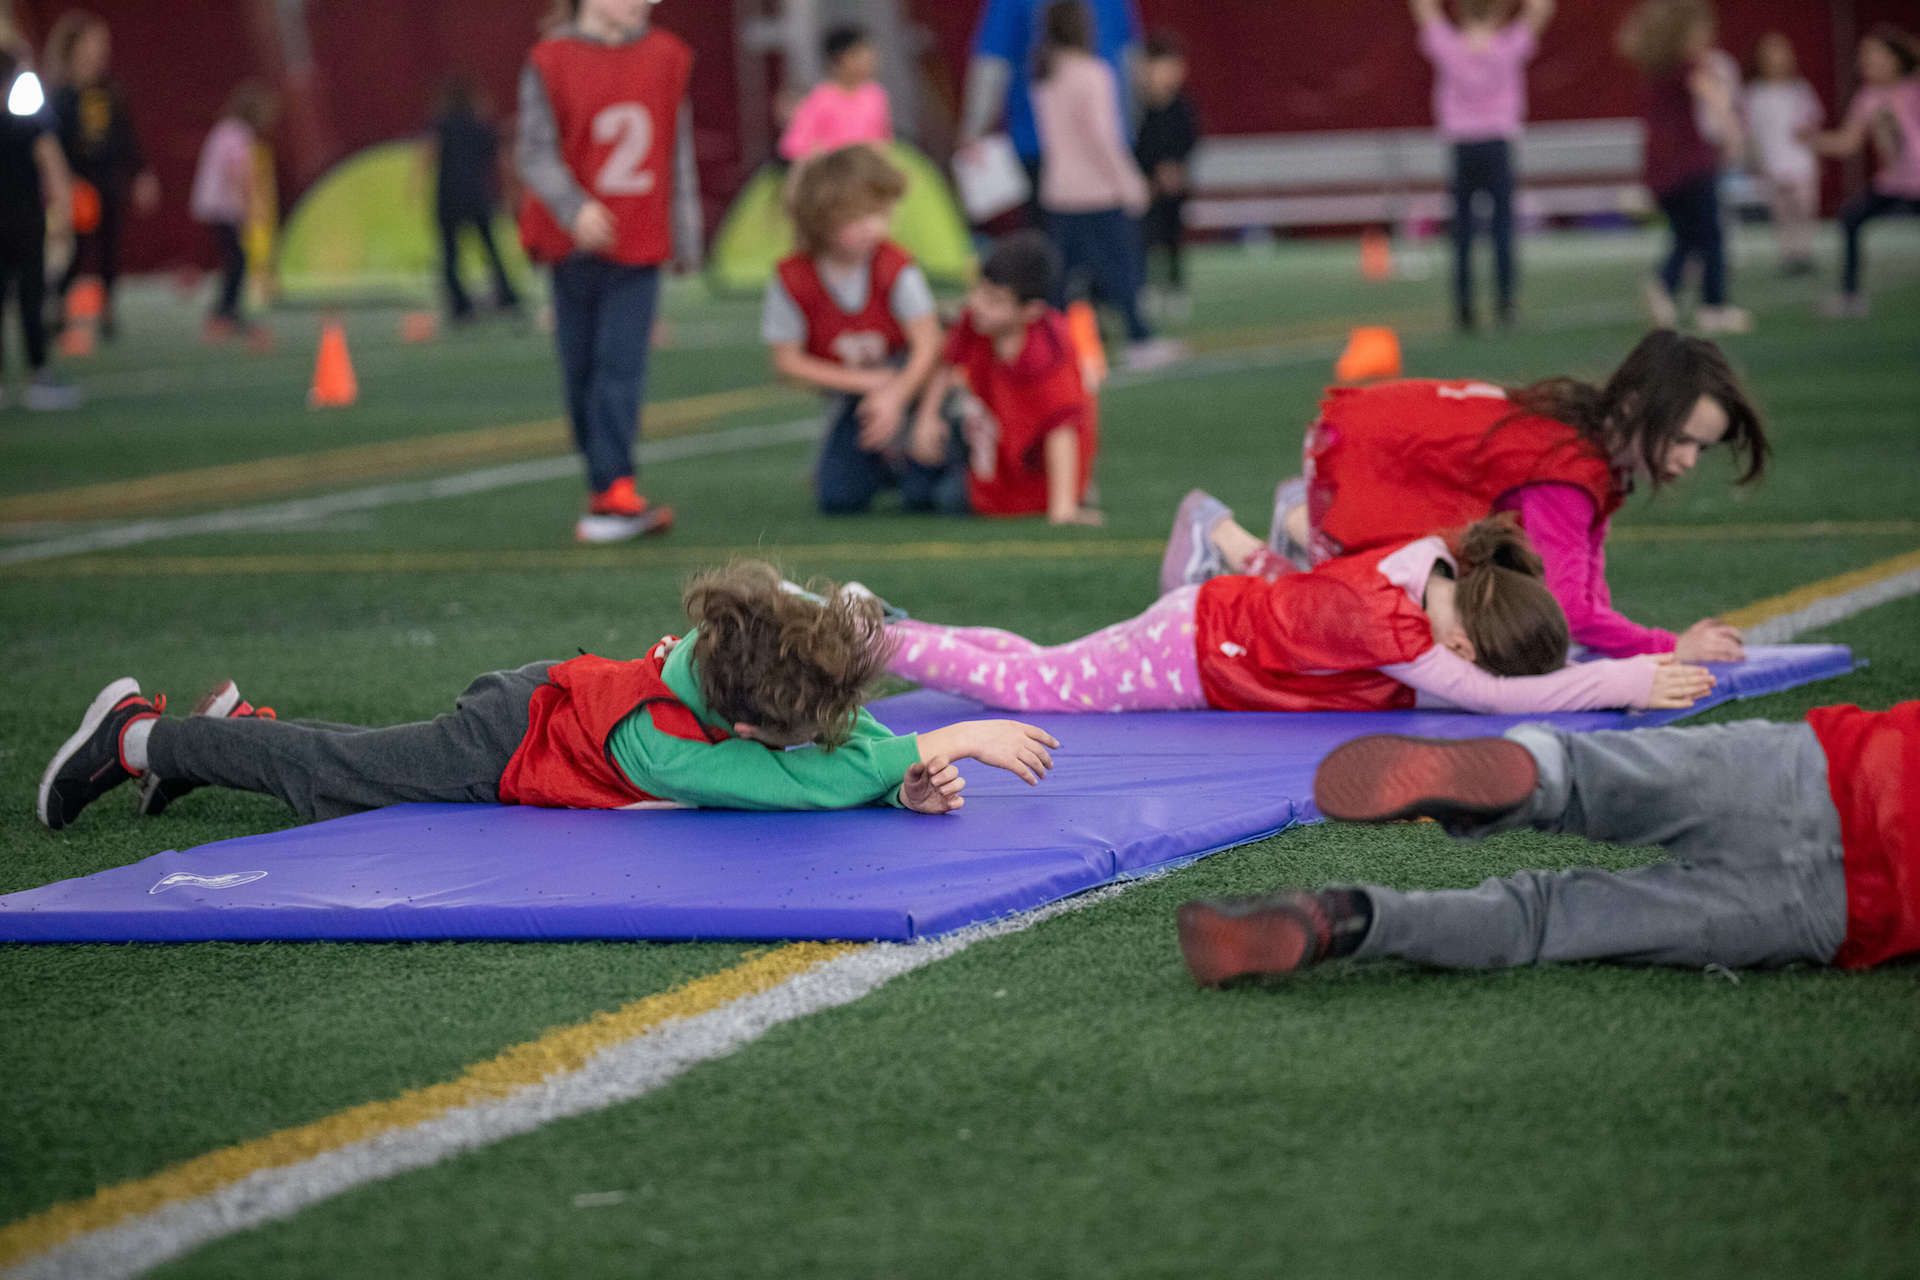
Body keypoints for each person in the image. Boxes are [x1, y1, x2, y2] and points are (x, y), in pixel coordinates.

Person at [37, 560, 1063, 831]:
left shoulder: (747, 655)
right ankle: (138, 737)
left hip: (548, 695)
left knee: (344, 757)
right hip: (504, 739)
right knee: (334, 777)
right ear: (749, 724)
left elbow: (835, 738)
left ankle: (226, 734)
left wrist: (899, 784)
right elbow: (799, 785)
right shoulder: (669, 745)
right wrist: (950, 736)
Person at [1176, 701, 1920, 984]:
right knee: (1545, 921)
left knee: (1598, 777)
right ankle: (1344, 918)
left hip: (1847, 768)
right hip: (1846, 909)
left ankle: (1534, 778)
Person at [1244, 330, 1765, 663]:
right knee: (1365, 640)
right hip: (1362, 454)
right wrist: (1671, 649)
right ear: (1633, 408)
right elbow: (1567, 609)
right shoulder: (1566, 470)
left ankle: (1303, 527)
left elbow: (1582, 579)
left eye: (1702, 447)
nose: (1689, 460)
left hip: (1370, 444)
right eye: (1680, 440)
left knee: (1441, 608)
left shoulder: (1589, 440)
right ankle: (1237, 545)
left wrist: (1624, 642)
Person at [885, 515, 1714, 716]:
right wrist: (1623, 679)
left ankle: (888, 623)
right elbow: (1497, 699)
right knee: (1030, 691)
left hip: (1204, 617)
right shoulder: (1396, 635)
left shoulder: (1427, 563)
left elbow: (1497, 675)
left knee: (1041, 660)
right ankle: (870, 638)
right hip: (1192, 652)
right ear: (1463, 643)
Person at [516, 0, 702, 544]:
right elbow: (533, 152)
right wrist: (575, 209)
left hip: (639, 242)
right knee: (580, 373)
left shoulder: (668, 56)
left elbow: (677, 147)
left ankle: (615, 488)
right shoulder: (549, 59)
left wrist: (684, 232)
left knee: (621, 368)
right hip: (570, 246)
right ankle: (605, 483)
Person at [762, 145, 952, 515]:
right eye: (857, 217)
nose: (874, 227)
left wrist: (896, 392)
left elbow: (929, 344)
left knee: (924, 495)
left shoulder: (894, 267)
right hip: (858, 392)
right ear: (821, 220)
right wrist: (869, 384)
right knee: (839, 499)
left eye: (879, 213)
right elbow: (786, 362)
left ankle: (917, 458)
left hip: (917, 384)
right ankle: (880, 464)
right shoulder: (793, 278)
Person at [908, 231, 1102, 525]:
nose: (978, 304)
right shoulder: (977, 322)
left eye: (995, 300)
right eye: (979, 291)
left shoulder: (1047, 353)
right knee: (918, 488)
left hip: (1025, 463)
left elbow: (1061, 427)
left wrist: (1062, 506)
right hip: (992, 436)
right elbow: (948, 360)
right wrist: (927, 417)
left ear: (1030, 311)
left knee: (947, 499)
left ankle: (1071, 489)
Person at [1031, 1, 1179, 372]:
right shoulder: (1093, 73)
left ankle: (1051, 345)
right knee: (1122, 268)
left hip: (1059, 190)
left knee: (1061, 279)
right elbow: (1103, 139)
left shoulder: (1043, 74)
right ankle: (1138, 337)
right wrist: (1129, 183)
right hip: (1096, 192)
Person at [1412, 0, 1553, 332]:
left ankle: (1464, 309)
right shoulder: (1508, 45)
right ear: (1500, 12)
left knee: (1462, 230)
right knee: (1502, 227)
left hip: (1462, 146)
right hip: (1497, 145)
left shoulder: (1448, 45)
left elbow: (1424, 10)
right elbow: (1541, 10)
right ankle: (1505, 304)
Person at [1619, 0, 1751, 334]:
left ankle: (1664, 285)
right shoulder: (1690, 65)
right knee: (1711, 236)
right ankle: (1714, 305)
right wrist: (1733, 130)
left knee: (1686, 235)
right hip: (1691, 162)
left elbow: (1629, 38)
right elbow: (1712, 97)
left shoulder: (1654, 65)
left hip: (1659, 167)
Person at [956, 0, 1142, 227]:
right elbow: (1131, 60)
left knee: (1050, 246)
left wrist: (973, 131)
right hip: (1108, 148)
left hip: (1040, 147)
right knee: (1112, 248)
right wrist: (1133, 128)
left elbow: (992, 67)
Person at [44, 9, 158, 341]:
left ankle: (107, 309)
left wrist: (141, 173)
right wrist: (60, 182)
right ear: (75, 45)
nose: (100, 48)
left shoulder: (111, 91)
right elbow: (51, 142)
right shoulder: (60, 94)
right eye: (93, 41)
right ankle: (58, 306)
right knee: (73, 249)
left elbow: (126, 136)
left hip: (108, 180)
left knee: (110, 247)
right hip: (74, 183)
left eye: (103, 42)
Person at [1806, 25, 1920, 319]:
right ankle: (1850, 295)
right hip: (1896, 184)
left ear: (1895, 58)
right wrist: (1812, 140)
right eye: (1864, 56)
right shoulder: (1868, 97)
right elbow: (1847, 142)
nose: (1867, 62)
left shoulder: (1913, 88)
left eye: (1875, 55)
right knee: (1850, 217)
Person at [0, 41, 80, 410]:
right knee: (31, 302)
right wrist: (63, 216)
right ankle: (39, 378)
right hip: (25, 223)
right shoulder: (29, 122)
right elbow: (54, 168)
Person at [425, 73, 520, 324]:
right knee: (489, 247)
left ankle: (459, 304)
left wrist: (420, 189)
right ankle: (506, 295)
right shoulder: (482, 126)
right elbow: (500, 162)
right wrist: (509, 192)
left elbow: (428, 156)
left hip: (448, 195)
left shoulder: (441, 124)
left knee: (450, 253)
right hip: (477, 193)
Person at [189, 80, 276, 348]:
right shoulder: (238, 135)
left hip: (214, 204)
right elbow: (240, 174)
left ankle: (226, 310)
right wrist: (249, 208)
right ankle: (224, 312)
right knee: (237, 259)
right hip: (224, 207)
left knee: (234, 260)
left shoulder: (225, 130)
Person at [1132, 31, 1200, 322]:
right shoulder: (1135, 109)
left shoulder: (1180, 107)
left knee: (1172, 235)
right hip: (1142, 186)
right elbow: (1133, 145)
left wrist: (1176, 168)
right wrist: (1144, 177)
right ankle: (1143, 286)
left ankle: (1174, 284)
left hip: (1173, 186)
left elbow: (1189, 139)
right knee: (1141, 236)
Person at [1743, 32, 1822, 275]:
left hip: (1800, 161)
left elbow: (1813, 120)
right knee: (1782, 212)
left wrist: (1808, 134)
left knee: (1804, 208)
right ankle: (1788, 254)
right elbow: (1750, 130)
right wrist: (1754, 160)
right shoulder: (1755, 94)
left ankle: (1804, 251)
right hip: (1772, 162)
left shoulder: (1799, 90)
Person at [778, 24, 892, 164]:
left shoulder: (875, 95)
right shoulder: (820, 99)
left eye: (868, 56)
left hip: (866, 174)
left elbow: (882, 137)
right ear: (837, 61)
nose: (867, 62)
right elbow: (793, 146)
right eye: (857, 56)